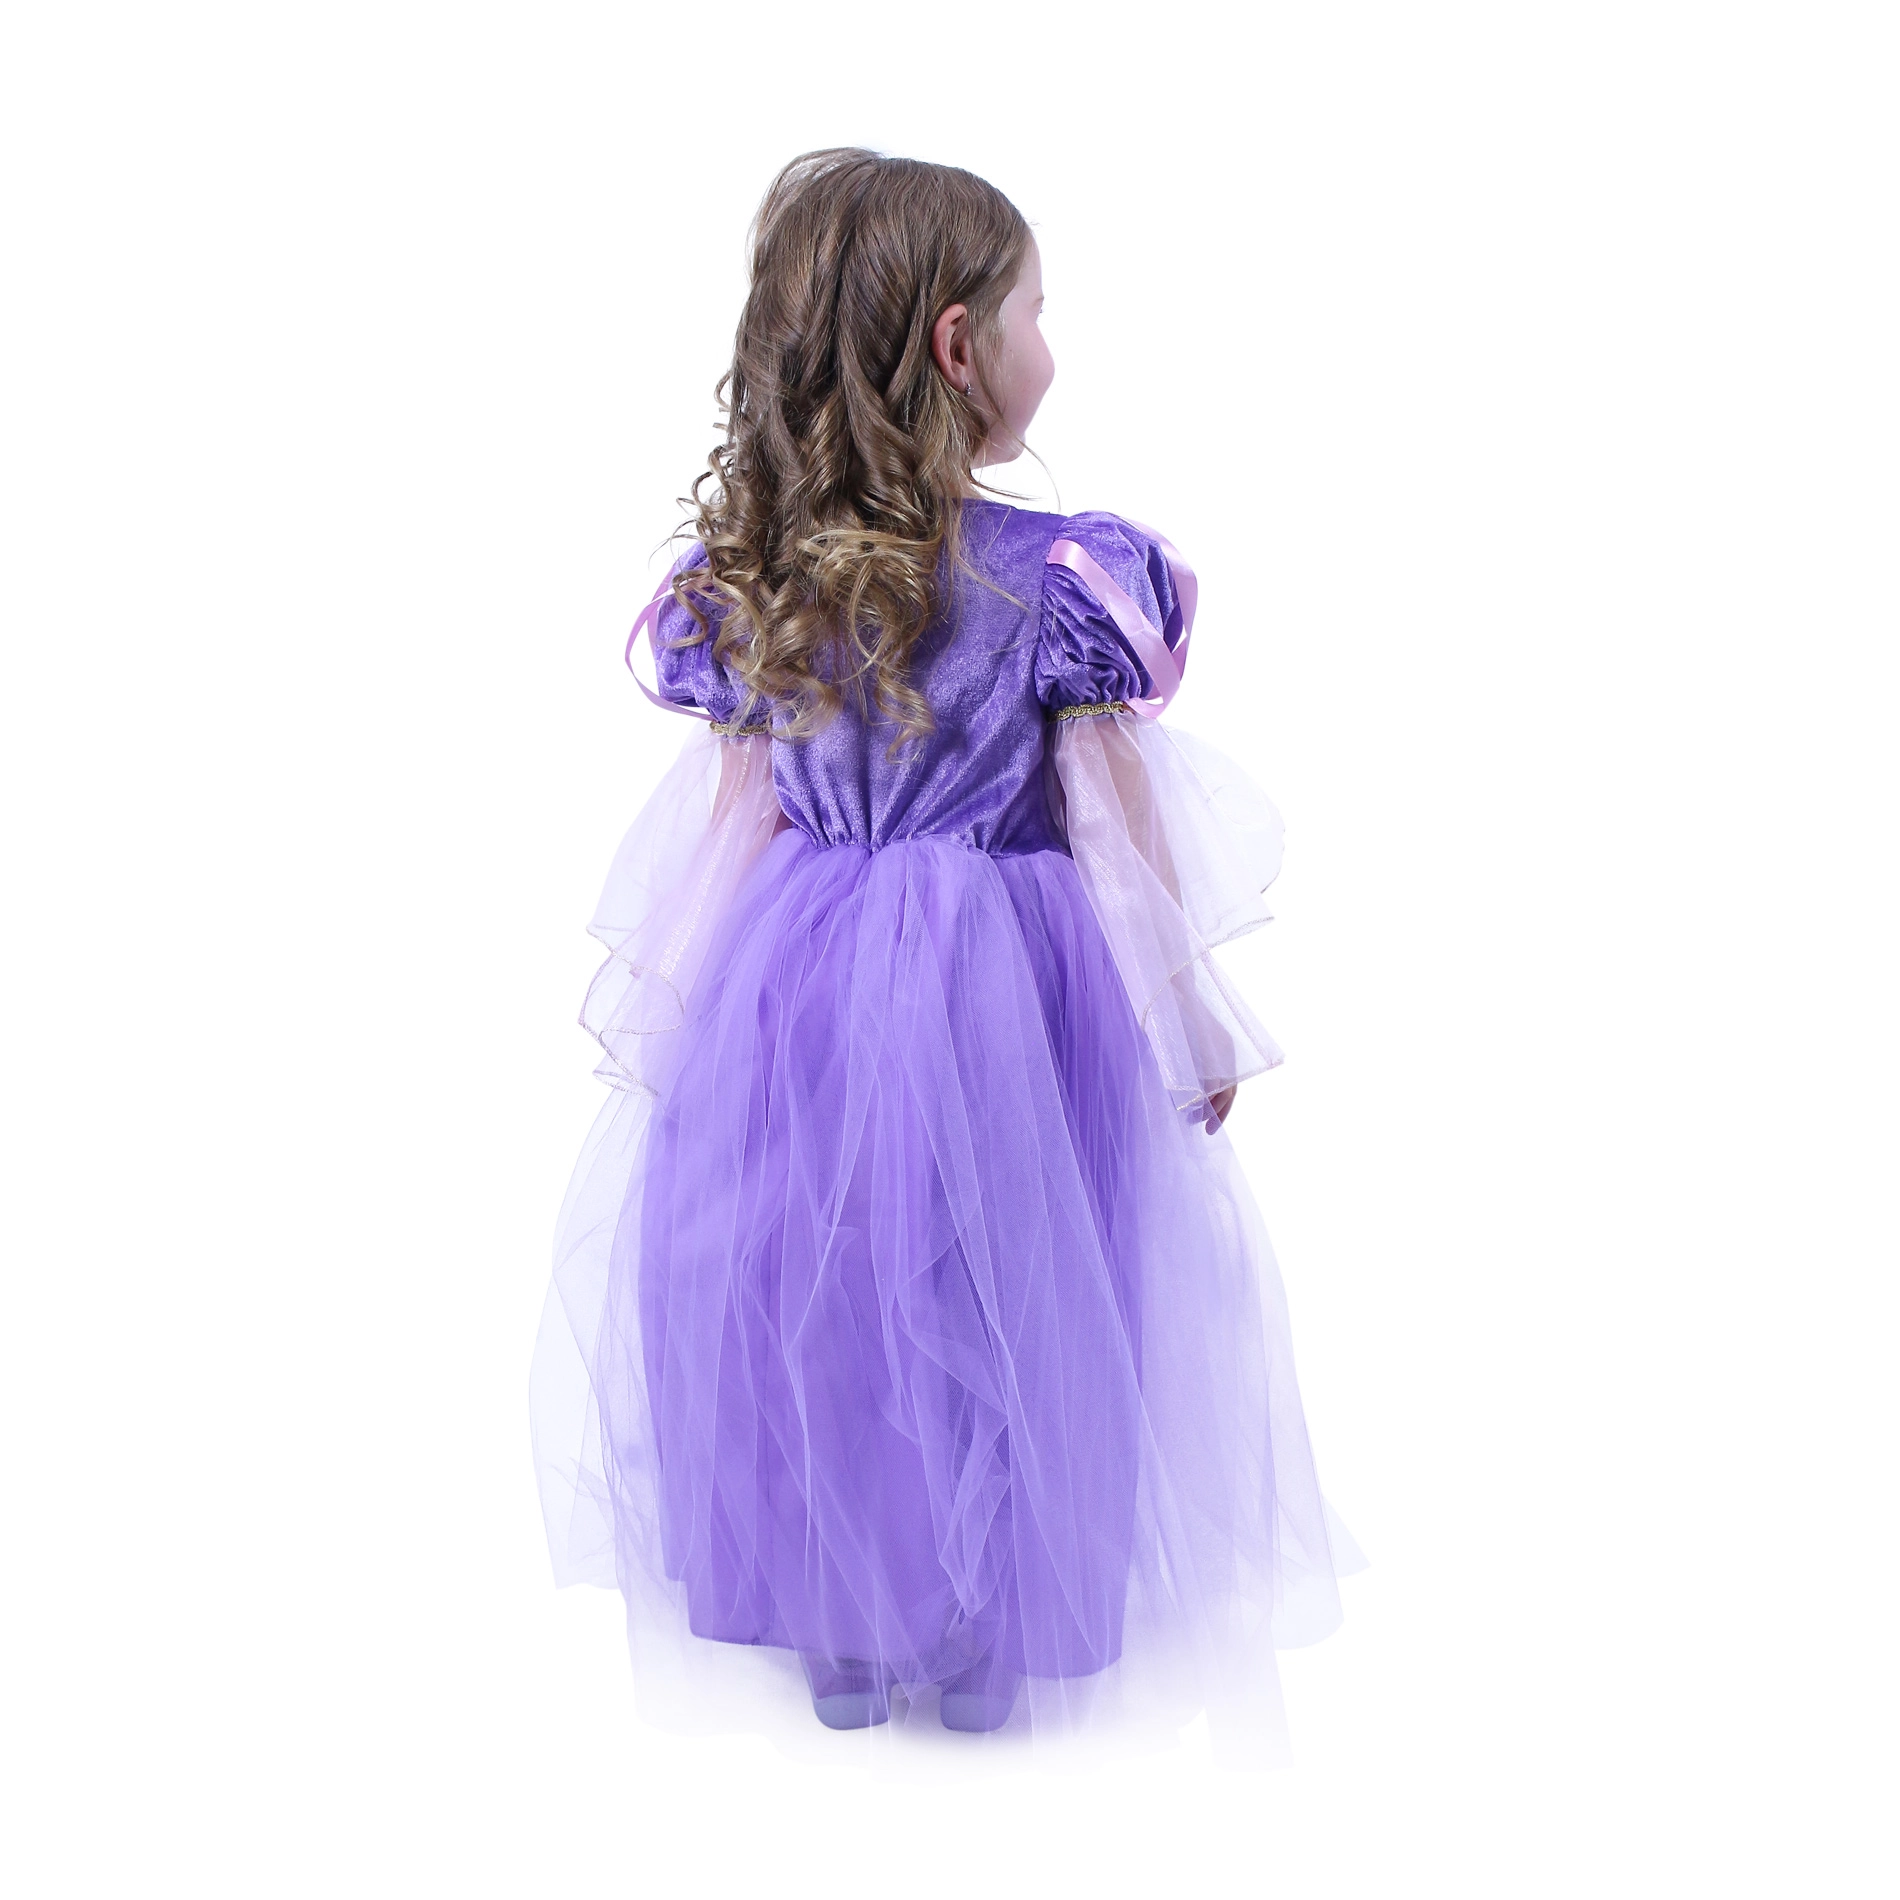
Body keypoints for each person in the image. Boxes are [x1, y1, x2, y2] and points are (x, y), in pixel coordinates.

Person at [531, 148, 1355, 1749]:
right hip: (1009, 998)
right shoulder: (1060, 580)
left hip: (793, 993)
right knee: (1007, 1287)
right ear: (963, 346)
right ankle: (985, 1635)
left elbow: (736, 831)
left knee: (816, 1282)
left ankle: (844, 1620)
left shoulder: (765, 584)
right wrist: (1187, 1020)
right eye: (1041, 308)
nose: (1057, 344)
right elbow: (1113, 830)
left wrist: (673, 1015)